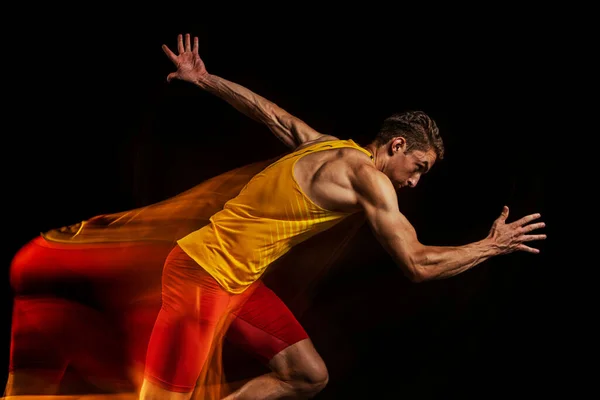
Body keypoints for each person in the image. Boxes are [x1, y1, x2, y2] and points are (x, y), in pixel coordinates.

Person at [139, 33, 547, 400]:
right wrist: (492, 247)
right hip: (202, 274)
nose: (416, 181)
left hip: (238, 282)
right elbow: (418, 265)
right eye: (419, 167)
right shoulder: (370, 180)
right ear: (397, 145)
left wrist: (207, 79)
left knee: (307, 375)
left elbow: (271, 114)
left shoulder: (328, 146)